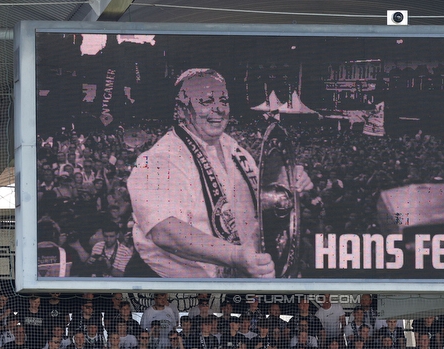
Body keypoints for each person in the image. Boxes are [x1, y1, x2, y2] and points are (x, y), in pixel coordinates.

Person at [127, 68, 312, 278]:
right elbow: (164, 230)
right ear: (181, 109)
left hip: (235, 282)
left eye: (223, 101)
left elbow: (264, 204)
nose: (219, 109)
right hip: (171, 289)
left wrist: (288, 181)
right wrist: (234, 256)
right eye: (206, 101)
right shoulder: (159, 159)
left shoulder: (235, 150)